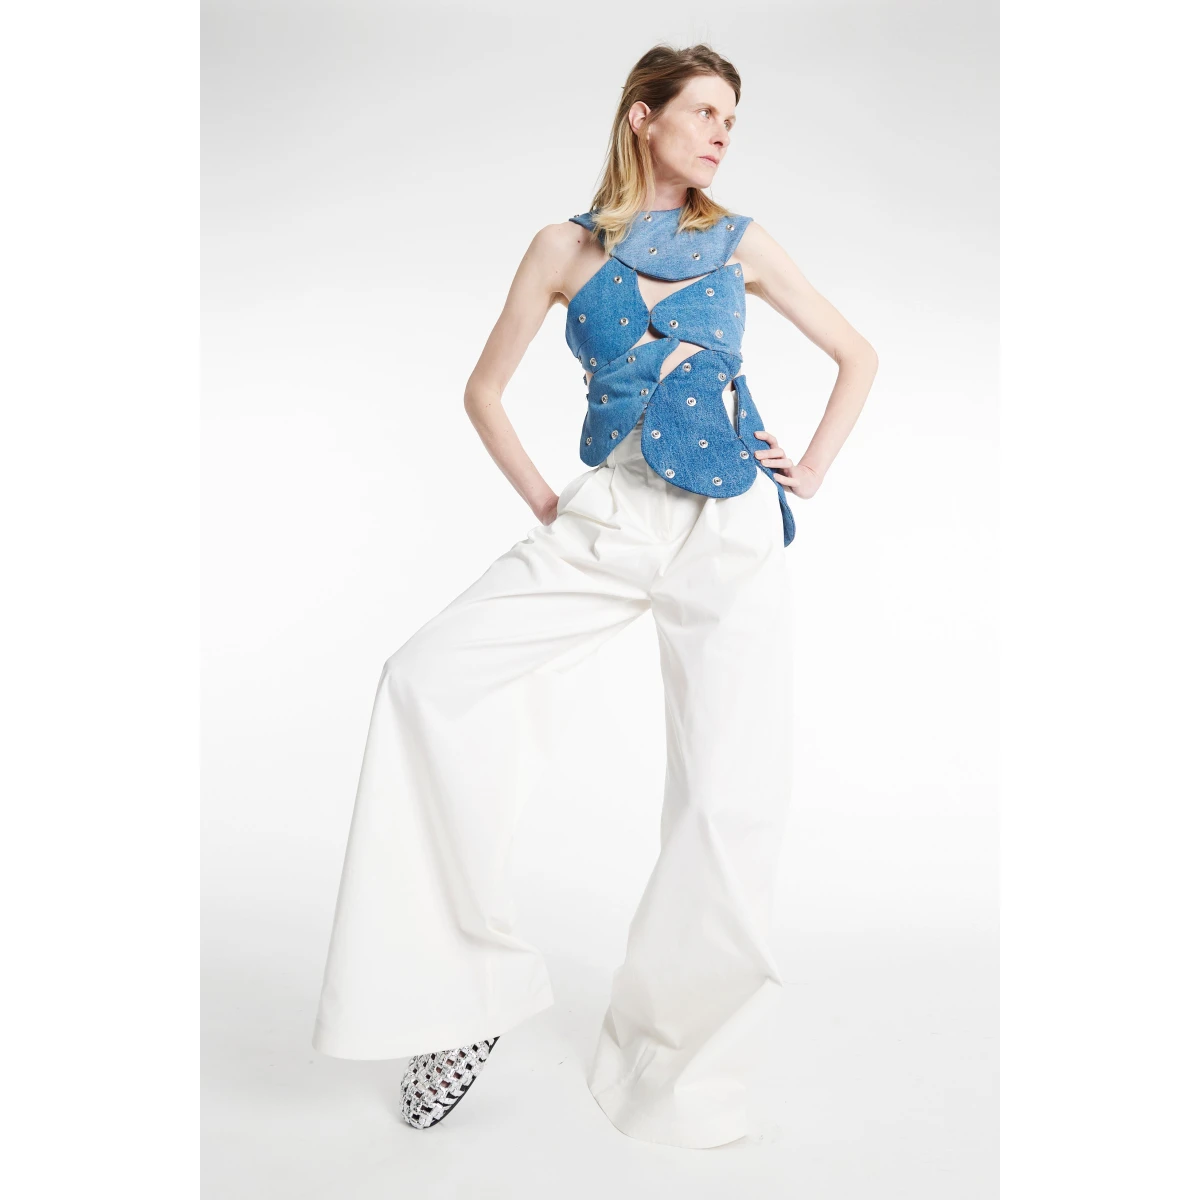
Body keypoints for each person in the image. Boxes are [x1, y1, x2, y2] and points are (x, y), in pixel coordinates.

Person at [311, 42, 878, 1150]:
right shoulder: (562, 248)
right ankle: (463, 996)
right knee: (425, 682)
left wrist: (809, 468)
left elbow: (857, 354)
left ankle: (680, 1073)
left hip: (729, 527)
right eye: (703, 111)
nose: (722, 133)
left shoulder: (740, 240)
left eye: (732, 118)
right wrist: (546, 501)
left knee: (728, 800)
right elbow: (483, 390)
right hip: (614, 511)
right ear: (641, 117)